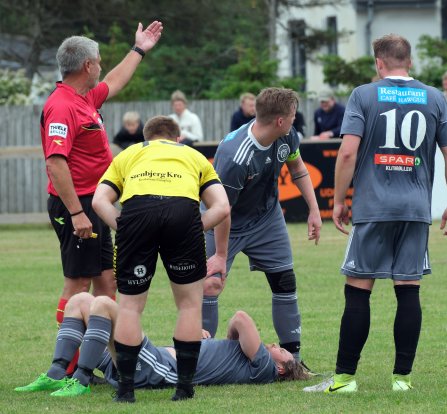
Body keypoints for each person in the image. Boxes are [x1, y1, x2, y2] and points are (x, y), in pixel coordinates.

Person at [304, 34, 447, 394]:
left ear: (379, 63)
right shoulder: (435, 97)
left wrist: (339, 200)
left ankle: (344, 380)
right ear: (410, 61)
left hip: (373, 208)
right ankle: (402, 380)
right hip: (415, 209)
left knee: (359, 290)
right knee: (408, 290)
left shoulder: (363, 95)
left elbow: (347, 153)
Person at [40, 20, 163, 375]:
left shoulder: (83, 97)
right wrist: (77, 213)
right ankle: (67, 368)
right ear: (87, 66)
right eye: (98, 61)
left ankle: (101, 361)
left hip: (94, 205)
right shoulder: (62, 106)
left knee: (106, 284)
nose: (101, 66)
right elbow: (55, 162)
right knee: (78, 284)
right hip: (77, 206)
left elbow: (115, 81)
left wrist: (139, 49)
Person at [91, 115, 230, 402]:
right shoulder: (193, 155)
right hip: (183, 213)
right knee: (189, 305)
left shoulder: (131, 153)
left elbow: (99, 200)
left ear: (146, 138)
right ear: (177, 138)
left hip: (137, 212)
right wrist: (194, 228)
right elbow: (222, 206)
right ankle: (184, 388)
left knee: (130, 307)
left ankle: (126, 391)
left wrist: (123, 227)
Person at [202, 87, 322, 364]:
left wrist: (314, 210)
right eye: (292, 115)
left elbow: (298, 168)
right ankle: (200, 359)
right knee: (210, 283)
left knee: (285, 282)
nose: (295, 119)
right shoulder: (236, 155)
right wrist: (220, 255)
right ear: (280, 120)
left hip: (266, 218)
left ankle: (293, 361)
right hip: (223, 220)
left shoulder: (287, 135)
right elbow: (222, 209)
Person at [14, 293, 310, 397]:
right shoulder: (249, 360)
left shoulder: (264, 370)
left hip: (158, 369)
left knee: (103, 303)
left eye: (281, 350)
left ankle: (80, 381)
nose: (274, 343)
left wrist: (231, 339)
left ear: (281, 369)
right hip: (149, 360)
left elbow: (241, 318)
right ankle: (56, 374)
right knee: (80, 301)